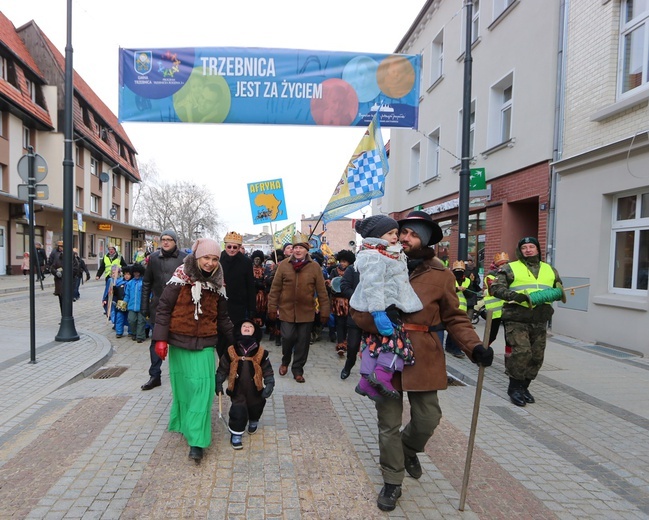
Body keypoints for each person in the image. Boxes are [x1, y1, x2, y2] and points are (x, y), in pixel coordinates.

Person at [350, 210, 494, 512]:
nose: (405, 237)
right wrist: (379, 320)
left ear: (425, 240)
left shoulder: (440, 275)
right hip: (385, 356)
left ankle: (409, 449)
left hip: (424, 356)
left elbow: (455, 317)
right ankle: (392, 481)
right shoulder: (376, 261)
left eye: (413, 234)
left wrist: (475, 347)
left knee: (429, 417)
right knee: (388, 424)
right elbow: (358, 312)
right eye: (402, 232)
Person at [152, 238, 235, 463]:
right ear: (197, 257)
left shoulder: (218, 284)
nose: (210, 263)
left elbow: (223, 317)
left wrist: (235, 343)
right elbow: (163, 309)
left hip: (206, 343)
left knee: (203, 389)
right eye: (206, 258)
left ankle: (197, 441)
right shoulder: (179, 279)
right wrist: (159, 339)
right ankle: (184, 424)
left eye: (215, 259)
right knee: (184, 388)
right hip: (179, 341)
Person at [349, 215, 423, 401]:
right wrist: (378, 312)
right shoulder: (374, 255)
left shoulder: (385, 252)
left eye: (396, 233)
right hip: (382, 306)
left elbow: (394, 270)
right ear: (376, 235)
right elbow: (373, 285)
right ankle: (382, 375)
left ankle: (366, 381)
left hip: (384, 305)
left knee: (374, 341)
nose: (395, 237)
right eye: (390, 233)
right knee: (396, 342)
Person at [489, 237, 564, 407]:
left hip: (539, 319)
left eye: (532, 247)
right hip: (517, 318)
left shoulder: (550, 269)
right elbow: (495, 288)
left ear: (538, 249)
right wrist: (514, 296)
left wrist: (559, 292)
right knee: (522, 353)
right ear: (520, 250)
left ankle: (524, 386)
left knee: (537, 356)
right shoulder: (510, 268)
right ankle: (514, 388)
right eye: (524, 247)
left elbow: (558, 287)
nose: (528, 250)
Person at [267, 233, 330, 383]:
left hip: (306, 312)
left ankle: (298, 370)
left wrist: (325, 311)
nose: (297, 250)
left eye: (301, 248)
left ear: (307, 250)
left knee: (303, 342)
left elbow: (322, 291)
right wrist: (271, 307)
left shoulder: (314, 267)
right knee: (287, 337)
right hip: (286, 310)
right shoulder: (283, 265)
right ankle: (285, 360)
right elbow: (275, 288)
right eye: (295, 247)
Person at [216, 319, 275, 450]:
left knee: (256, 405)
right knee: (238, 410)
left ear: (255, 331)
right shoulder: (231, 350)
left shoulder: (261, 352)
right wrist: (219, 381)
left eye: (250, 326)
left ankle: (254, 420)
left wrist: (270, 383)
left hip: (255, 388)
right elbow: (223, 368)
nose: (247, 327)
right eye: (244, 326)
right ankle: (236, 434)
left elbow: (267, 369)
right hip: (238, 388)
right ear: (239, 330)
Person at [140, 229, 187, 391]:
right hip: (158, 308)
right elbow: (146, 283)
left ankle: (182, 374)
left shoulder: (184, 259)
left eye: (169, 240)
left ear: (175, 242)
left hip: (179, 309)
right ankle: (155, 375)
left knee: (180, 343)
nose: (165, 242)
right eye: (163, 239)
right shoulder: (153, 258)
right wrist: (144, 306)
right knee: (155, 342)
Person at [219, 231, 255, 357]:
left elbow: (250, 285)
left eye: (235, 247)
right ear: (225, 246)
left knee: (234, 335)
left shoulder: (246, 262)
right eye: (229, 247)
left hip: (238, 304)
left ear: (239, 248)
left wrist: (251, 308)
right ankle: (222, 360)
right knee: (220, 336)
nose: (232, 250)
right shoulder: (217, 259)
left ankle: (232, 361)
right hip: (220, 303)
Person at [327, 249, 356, 357]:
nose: (342, 263)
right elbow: (330, 283)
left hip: (349, 301)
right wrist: (330, 285)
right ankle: (340, 344)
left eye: (345, 261)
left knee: (347, 322)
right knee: (339, 322)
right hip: (337, 301)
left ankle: (346, 341)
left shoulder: (353, 271)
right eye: (341, 261)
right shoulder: (334, 271)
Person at [338, 259, 362, 380]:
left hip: (376, 314)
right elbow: (344, 286)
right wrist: (358, 297)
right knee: (352, 345)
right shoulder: (353, 269)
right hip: (357, 313)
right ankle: (349, 365)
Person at [444, 260, 471, 359]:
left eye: (461, 270)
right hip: (451, 307)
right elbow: (446, 290)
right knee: (456, 329)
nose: (459, 272)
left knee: (455, 329)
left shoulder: (467, 281)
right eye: (457, 270)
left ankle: (450, 347)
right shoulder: (449, 279)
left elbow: (471, 294)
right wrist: (456, 289)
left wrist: (465, 290)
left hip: (462, 308)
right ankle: (455, 349)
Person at [482, 252, 510, 346]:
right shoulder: (490, 276)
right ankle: (483, 351)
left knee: (509, 336)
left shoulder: (511, 275)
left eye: (506, 263)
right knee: (492, 335)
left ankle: (509, 357)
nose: (504, 266)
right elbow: (493, 291)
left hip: (508, 309)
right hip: (494, 311)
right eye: (501, 264)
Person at [95, 244, 128, 314]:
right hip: (108, 277)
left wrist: (121, 270)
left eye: (112, 249)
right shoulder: (105, 257)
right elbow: (102, 267)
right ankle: (108, 308)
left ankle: (115, 306)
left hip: (117, 277)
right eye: (109, 249)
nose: (111, 251)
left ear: (114, 250)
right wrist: (98, 275)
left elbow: (125, 266)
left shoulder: (119, 257)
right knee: (109, 293)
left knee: (116, 293)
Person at [124, 263, 147, 342]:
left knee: (141, 321)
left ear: (140, 272)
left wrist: (149, 301)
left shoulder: (144, 282)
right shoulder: (130, 283)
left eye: (138, 272)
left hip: (142, 306)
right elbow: (127, 295)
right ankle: (134, 333)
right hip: (131, 306)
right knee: (131, 320)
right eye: (134, 272)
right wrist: (124, 302)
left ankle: (140, 336)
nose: (136, 274)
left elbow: (148, 293)